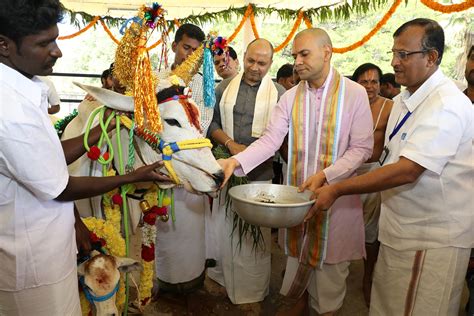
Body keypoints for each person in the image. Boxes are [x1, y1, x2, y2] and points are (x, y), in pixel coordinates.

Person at [0, 1, 171, 315]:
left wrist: (104, 127)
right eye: (43, 43)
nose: (57, 51)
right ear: (5, 46)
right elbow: (61, 187)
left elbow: (50, 155)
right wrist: (133, 176)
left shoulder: (25, 89)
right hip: (32, 256)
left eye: (55, 39)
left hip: (50, 240)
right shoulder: (10, 112)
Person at [304, 19, 473, 315]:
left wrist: (338, 188)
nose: (394, 62)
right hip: (399, 230)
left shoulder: (446, 104)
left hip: (430, 239)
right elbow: (386, 154)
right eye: (394, 53)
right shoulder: (404, 99)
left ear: (431, 58)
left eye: (404, 55)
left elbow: (408, 170)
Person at [217, 29, 373, 314]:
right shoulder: (290, 97)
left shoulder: (354, 93)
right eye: (295, 56)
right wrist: (235, 163)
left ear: (327, 52)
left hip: (336, 200)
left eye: (304, 54)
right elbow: (270, 140)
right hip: (296, 201)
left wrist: (327, 175)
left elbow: (362, 148)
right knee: (293, 276)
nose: (297, 61)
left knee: (329, 287)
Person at [207, 38, 286, 304]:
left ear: (270, 64)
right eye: (251, 60)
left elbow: (284, 136)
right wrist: (230, 145)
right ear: (243, 57)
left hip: (261, 173)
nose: (254, 67)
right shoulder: (224, 87)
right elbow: (211, 123)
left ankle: (252, 289)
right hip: (226, 166)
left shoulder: (280, 93)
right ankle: (226, 278)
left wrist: (253, 153)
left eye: (262, 63)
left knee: (257, 234)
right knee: (226, 226)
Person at [153, 23, 213, 294]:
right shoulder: (155, 74)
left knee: (188, 229)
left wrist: (189, 154)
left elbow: (203, 121)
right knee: (158, 227)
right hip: (157, 164)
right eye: (186, 48)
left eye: (196, 51)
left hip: (192, 162)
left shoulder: (202, 81)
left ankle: (190, 280)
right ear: (175, 44)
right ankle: (160, 281)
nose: (190, 55)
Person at [351, 62, 393, 306]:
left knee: (371, 232)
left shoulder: (390, 107)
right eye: (364, 81)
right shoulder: (347, 105)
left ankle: (368, 279)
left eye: (374, 81)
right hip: (349, 171)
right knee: (342, 226)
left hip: (374, 172)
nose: (370, 86)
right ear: (356, 83)